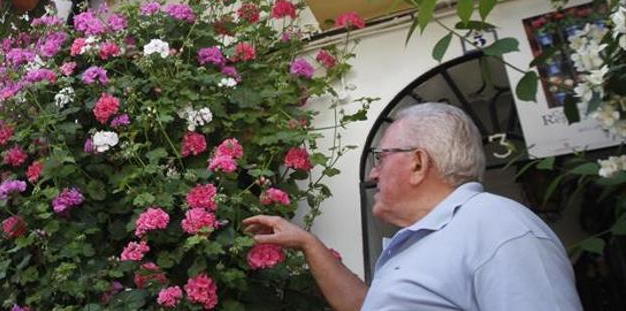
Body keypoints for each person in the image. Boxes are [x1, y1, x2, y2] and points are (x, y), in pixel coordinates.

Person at [243, 102, 582, 311]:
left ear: (419, 163)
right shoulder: (424, 239)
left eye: (382, 157)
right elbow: (366, 306)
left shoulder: (499, 227)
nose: (374, 171)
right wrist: (307, 243)